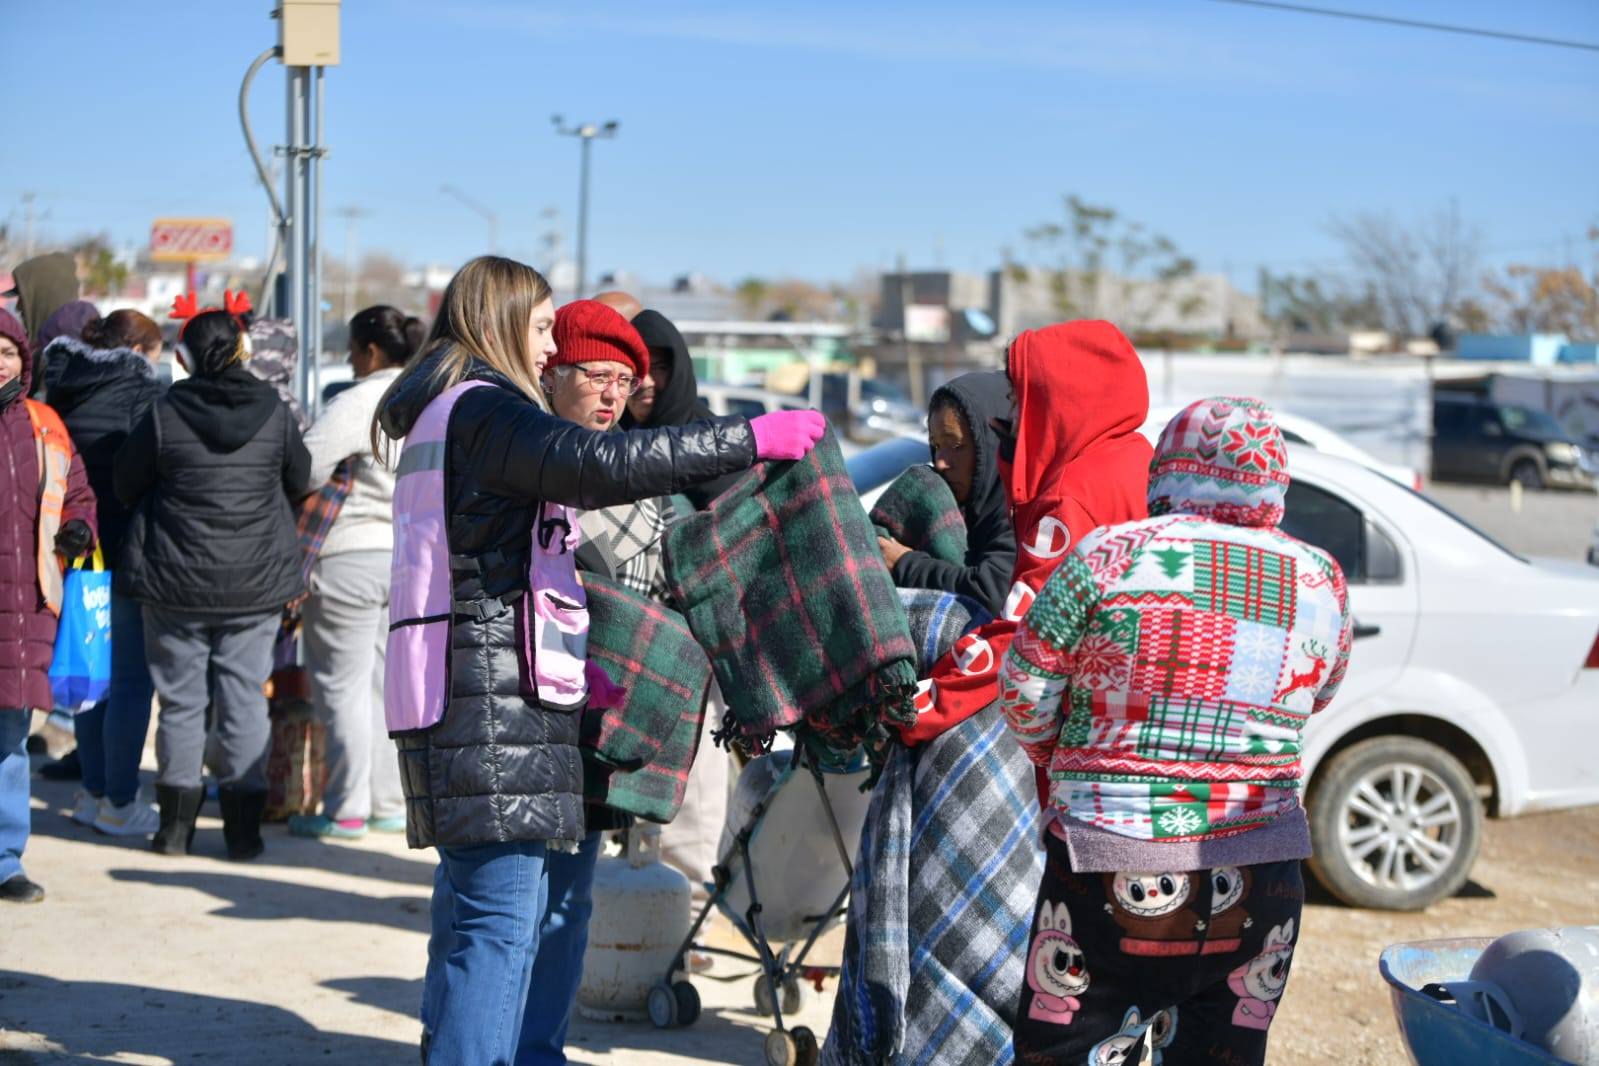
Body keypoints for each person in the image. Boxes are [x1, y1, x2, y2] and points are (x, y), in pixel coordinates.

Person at [376, 256, 823, 1065]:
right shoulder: (485, 411)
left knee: (490, 913)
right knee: (498, 924)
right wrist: (746, 438)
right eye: (545, 329)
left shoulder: (444, 410)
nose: (547, 351)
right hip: (488, 699)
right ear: (499, 321)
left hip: (476, 687)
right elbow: (597, 465)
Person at [1000, 396, 1353, 1065]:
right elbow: (1319, 693)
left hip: (1106, 864)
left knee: (1066, 1049)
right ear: (1275, 480)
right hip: (1262, 873)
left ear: (1164, 469)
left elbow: (1024, 688)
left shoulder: (1108, 555)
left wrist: (1067, 759)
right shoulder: (1321, 577)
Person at [115, 294, 311, 861]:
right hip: (254, 584)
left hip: (174, 581)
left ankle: (174, 831)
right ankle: (242, 835)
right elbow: (299, 478)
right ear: (243, 350)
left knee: (179, 704)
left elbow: (127, 485)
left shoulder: (164, 411)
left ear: (187, 355)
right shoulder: (274, 411)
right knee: (244, 699)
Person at [896, 321, 1155, 751]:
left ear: (1057, 398)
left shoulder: (1068, 498)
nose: (1010, 416)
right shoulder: (1138, 458)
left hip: (1091, 743)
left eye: (1019, 401)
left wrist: (913, 710)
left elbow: (1021, 635)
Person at [287, 306, 423, 840]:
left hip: (349, 558)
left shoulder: (361, 399)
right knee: (388, 688)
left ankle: (345, 807)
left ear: (369, 351)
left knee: (339, 687)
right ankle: (388, 802)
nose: (348, 358)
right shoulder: (426, 401)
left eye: (351, 348)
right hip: (410, 559)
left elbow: (305, 465)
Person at [45, 310, 165, 836]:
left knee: (91, 675)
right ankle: (120, 799)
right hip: (125, 550)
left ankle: (93, 792)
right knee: (131, 682)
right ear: (139, 352)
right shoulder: (142, 396)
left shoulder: (62, 391)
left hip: (73, 553)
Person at [0, 308, 98, 903]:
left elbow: (78, 492)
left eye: (7, 351)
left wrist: (80, 527)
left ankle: (6, 861)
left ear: (23, 359)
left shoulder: (45, 424)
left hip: (25, 607)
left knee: (10, 737)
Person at [877, 370, 1017, 617]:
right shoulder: (957, 511)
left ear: (990, 443)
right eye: (936, 446)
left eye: (956, 446)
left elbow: (993, 593)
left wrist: (904, 564)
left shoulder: (1019, 514)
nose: (941, 462)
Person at [4, 251, 79, 396]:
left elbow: (39, 413)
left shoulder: (61, 356)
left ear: (43, 298)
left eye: (24, 298)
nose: (19, 307)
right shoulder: (43, 349)